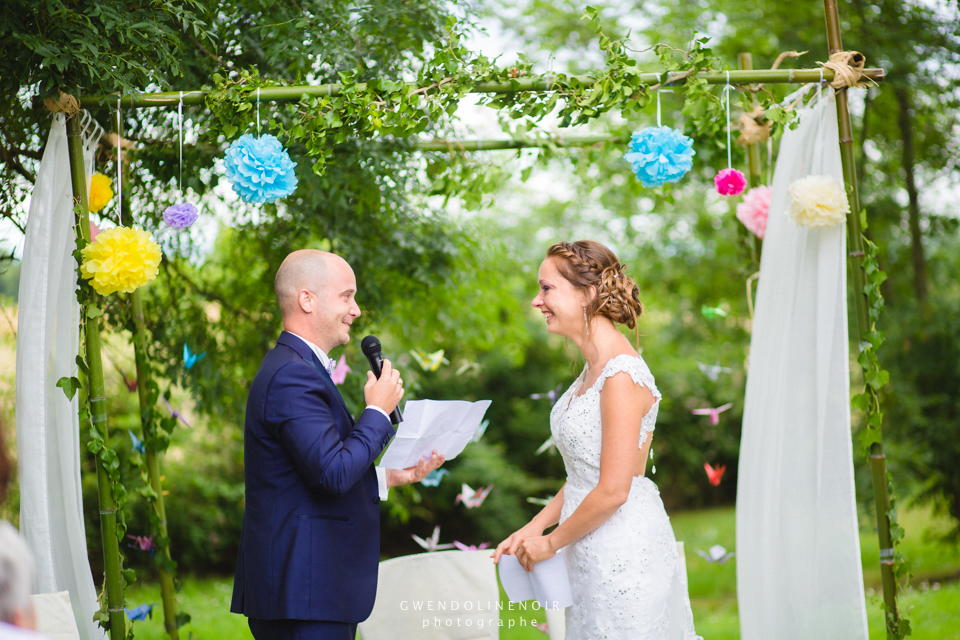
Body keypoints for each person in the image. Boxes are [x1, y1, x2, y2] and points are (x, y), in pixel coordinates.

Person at [231, 249, 444, 640]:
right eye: (347, 296)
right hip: (304, 591)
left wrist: (390, 477)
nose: (356, 310)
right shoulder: (292, 375)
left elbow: (312, 471)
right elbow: (332, 474)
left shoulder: (298, 368)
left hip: (310, 589)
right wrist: (377, 412)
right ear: (307, 299)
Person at [492, 240, 701, 640]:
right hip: (587, 545)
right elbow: (585, 473)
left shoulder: (620, 375)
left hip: (622, 551)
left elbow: (614, 489)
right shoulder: (591, 372)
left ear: (587, 294)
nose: (537, 301)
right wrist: (534, 527)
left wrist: (550, 544)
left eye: (546, 288)